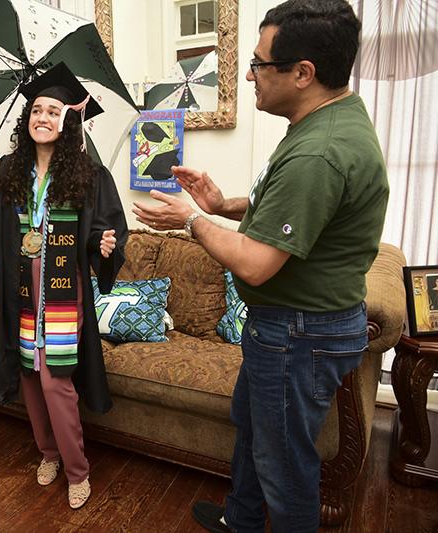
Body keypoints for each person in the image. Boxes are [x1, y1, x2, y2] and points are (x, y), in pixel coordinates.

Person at [133, 1, 389, 531]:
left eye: (258, 64)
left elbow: (253, 265)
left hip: (299, 333)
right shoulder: (331, 116)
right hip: (288, 326)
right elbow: (294, 208)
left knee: (286, 469)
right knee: (251, 429)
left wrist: (189, 221)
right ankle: (241, 520)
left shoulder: (320, 151)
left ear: (302, 73)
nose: (248, 74)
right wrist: (221, 204)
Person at [0, 63, 128, 509]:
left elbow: (101, 233)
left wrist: (104, 244)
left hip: (61, 293)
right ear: (27, 118)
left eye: (54, 111)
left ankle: (77, 470)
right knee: (29, 377)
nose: (43, 117)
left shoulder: (88, 177)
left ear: (68, 121)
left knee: (56, 379)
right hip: (21, 290)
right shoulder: (10, 174)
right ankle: (48, 453)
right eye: (37, 109)